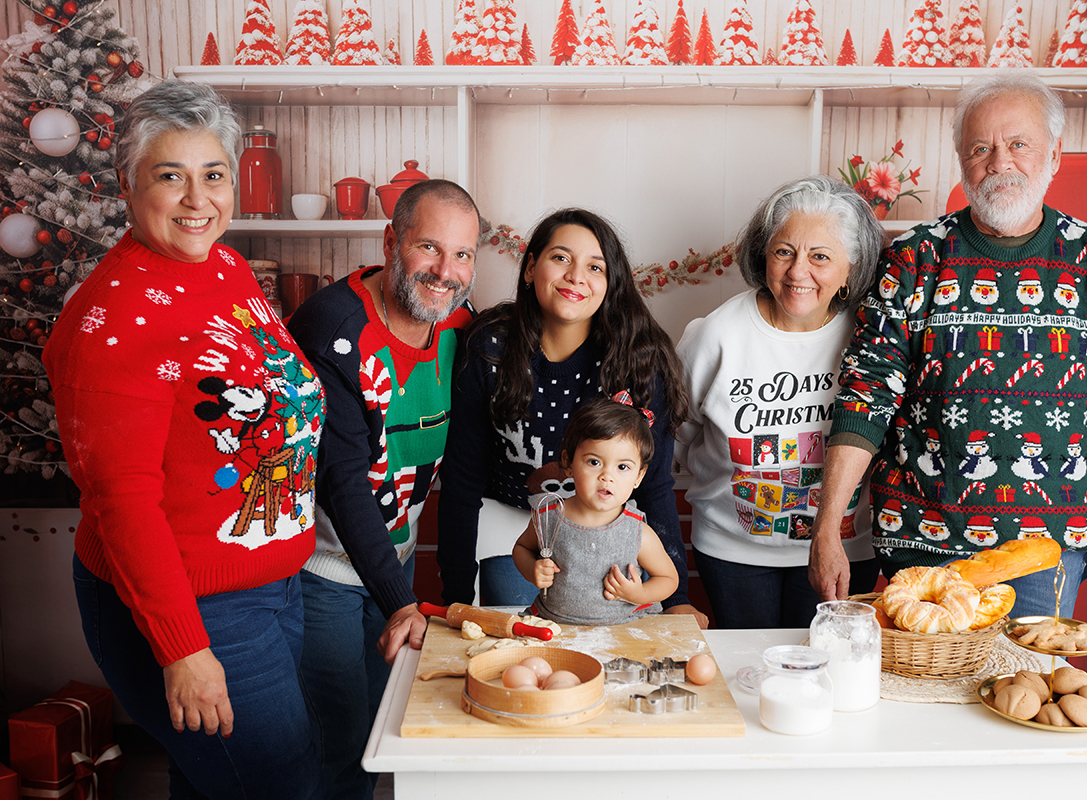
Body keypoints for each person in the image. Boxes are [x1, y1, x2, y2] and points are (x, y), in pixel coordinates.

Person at [43, 80, 327, 799]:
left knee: (218, 784)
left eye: (214, 175)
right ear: (128, 185)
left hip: (270, 583)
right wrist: (184, 648)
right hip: (197, 608)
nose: (198, 200)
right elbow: (123, 502)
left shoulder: (225, 267)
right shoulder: (110, 321)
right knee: (283, 787)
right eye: (171, 176)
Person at [809, 71, 1087, 648]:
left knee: (1021, 699)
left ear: (1053, 153)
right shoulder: (913, 260)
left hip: (1047, 544)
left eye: (1017, 143)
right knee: (922, 700)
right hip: (920, 536)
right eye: (980, 148)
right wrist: (826, 529)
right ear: (961, 160)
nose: (999, 162)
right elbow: (865, 399)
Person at [286, 179, 481, 800]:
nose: (446, 272)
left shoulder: (458, 324)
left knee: (376, 732)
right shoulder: (333, 328)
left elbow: (463, 464)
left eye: (463, 254)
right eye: (429, 247)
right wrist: (403, 600)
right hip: (323, 569)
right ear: (390, 240)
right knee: (339, 746)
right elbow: (342, 482)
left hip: (388, 562)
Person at [437, 208, 706, 627]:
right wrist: (453, 596)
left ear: (610, 283)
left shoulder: (638, 363)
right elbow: (461, 479)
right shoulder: (490, 348)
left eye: (595, 266)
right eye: (561, 258)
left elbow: (653, 486)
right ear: (530, 268)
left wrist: (677, 601)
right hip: (516, 527)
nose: (576, 276)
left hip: (608, 528)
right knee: (529, 642)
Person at [675, 176, 883, 630]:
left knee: (829, 677)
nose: (797, 272)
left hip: (848, 547)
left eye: (821, 257)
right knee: (748, 678)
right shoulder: (715, 335)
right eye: (784, 251)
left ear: (852, 267)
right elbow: (676, 437)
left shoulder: (871, 339)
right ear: (763, 254)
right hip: (734, 552)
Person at [513, 398, 679, 625]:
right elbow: (521, 548)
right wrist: (532, 568)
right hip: (554, 625)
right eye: (594, 462)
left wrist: (639, 594)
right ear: (568, 463)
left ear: (638, 476)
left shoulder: (637, 531)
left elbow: (668, 579)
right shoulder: (550, 515)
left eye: (622, 467)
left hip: (623, 627)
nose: (607, 476)